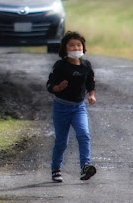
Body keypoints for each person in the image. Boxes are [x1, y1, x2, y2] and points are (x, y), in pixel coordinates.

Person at [46, 31, 97, 183]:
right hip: (61, 107)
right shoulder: (60, 66)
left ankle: (85, 166)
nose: (76, 48)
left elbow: (90, 83)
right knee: (62, 141)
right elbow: (50, 85)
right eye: (72, 45)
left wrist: (92, 95)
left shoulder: (86, 65)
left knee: (84, 134)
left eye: (79, 45)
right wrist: (58, 88)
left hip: (79, 107)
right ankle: (56, 169)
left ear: (83, 47)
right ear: (65, 49)